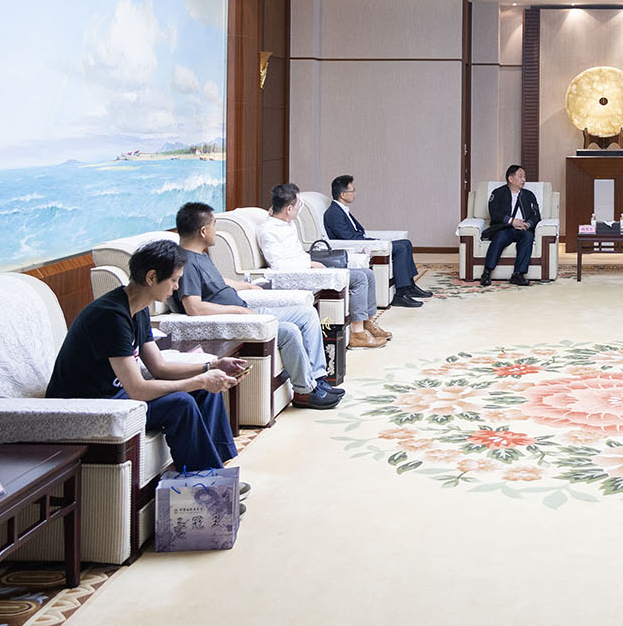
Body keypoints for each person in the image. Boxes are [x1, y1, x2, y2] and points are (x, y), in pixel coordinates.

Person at [47, 239, 244, 471]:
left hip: (115, 394)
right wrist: (199, 381)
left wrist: (212, 366)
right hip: (87, 404)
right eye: (174, 280)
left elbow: (160, 368)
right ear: (151, 277)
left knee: (204, 392)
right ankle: (202, 480)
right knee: (182, 403)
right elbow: (137, 390)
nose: (177, 287)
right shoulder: (111, 316)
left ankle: (217, 470)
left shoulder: (138, 309)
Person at [172, 201, 342, 410]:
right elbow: (194, 308)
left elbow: (218, 282)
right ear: (203, 231)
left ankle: (317, 379)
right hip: (236, 319)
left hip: (246, 311)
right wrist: (238, 310)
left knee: (307, 314)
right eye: (214, 225)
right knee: (289, 331)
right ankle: (304, 391)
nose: (216, 230)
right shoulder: (187, 263)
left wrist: (247, 286)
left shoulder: (201, 256)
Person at [257, 183, 387, 349]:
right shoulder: (268, 231)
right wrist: (309, 264)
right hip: (297, 275)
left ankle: (368, 322)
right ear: (288, 209)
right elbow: (278, 265)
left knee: (367, 273)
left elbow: (277, 213)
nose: (300, 208)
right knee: (359, 278)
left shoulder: (286, 222)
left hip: (307, 268)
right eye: (298, 205)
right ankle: (357, 334)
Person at [324, 174, 435, 308]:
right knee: (401, 248)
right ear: (343, 194)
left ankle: (409, 286)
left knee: (406, 243)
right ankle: (400, 295)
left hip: (362, 242)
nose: (355, 194)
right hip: (355, 247)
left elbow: (356, 232)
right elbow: (348, 238)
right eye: (352, 191)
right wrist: (373, 242)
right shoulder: (334, 213)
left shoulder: (341, 210)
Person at [481, 164, 541, 286]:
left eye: (524, 177)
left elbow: (536, 216)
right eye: (520, 176)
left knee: (528, 237)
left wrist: (527, 224)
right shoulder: (498, 193)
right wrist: (512, 221)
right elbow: (494, 213)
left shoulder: (529, 195)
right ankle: (487, 272)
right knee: (500, 237)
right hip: (505, 228)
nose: (524, 180)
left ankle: (518, 274)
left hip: (523, 229)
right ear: (511, 179)